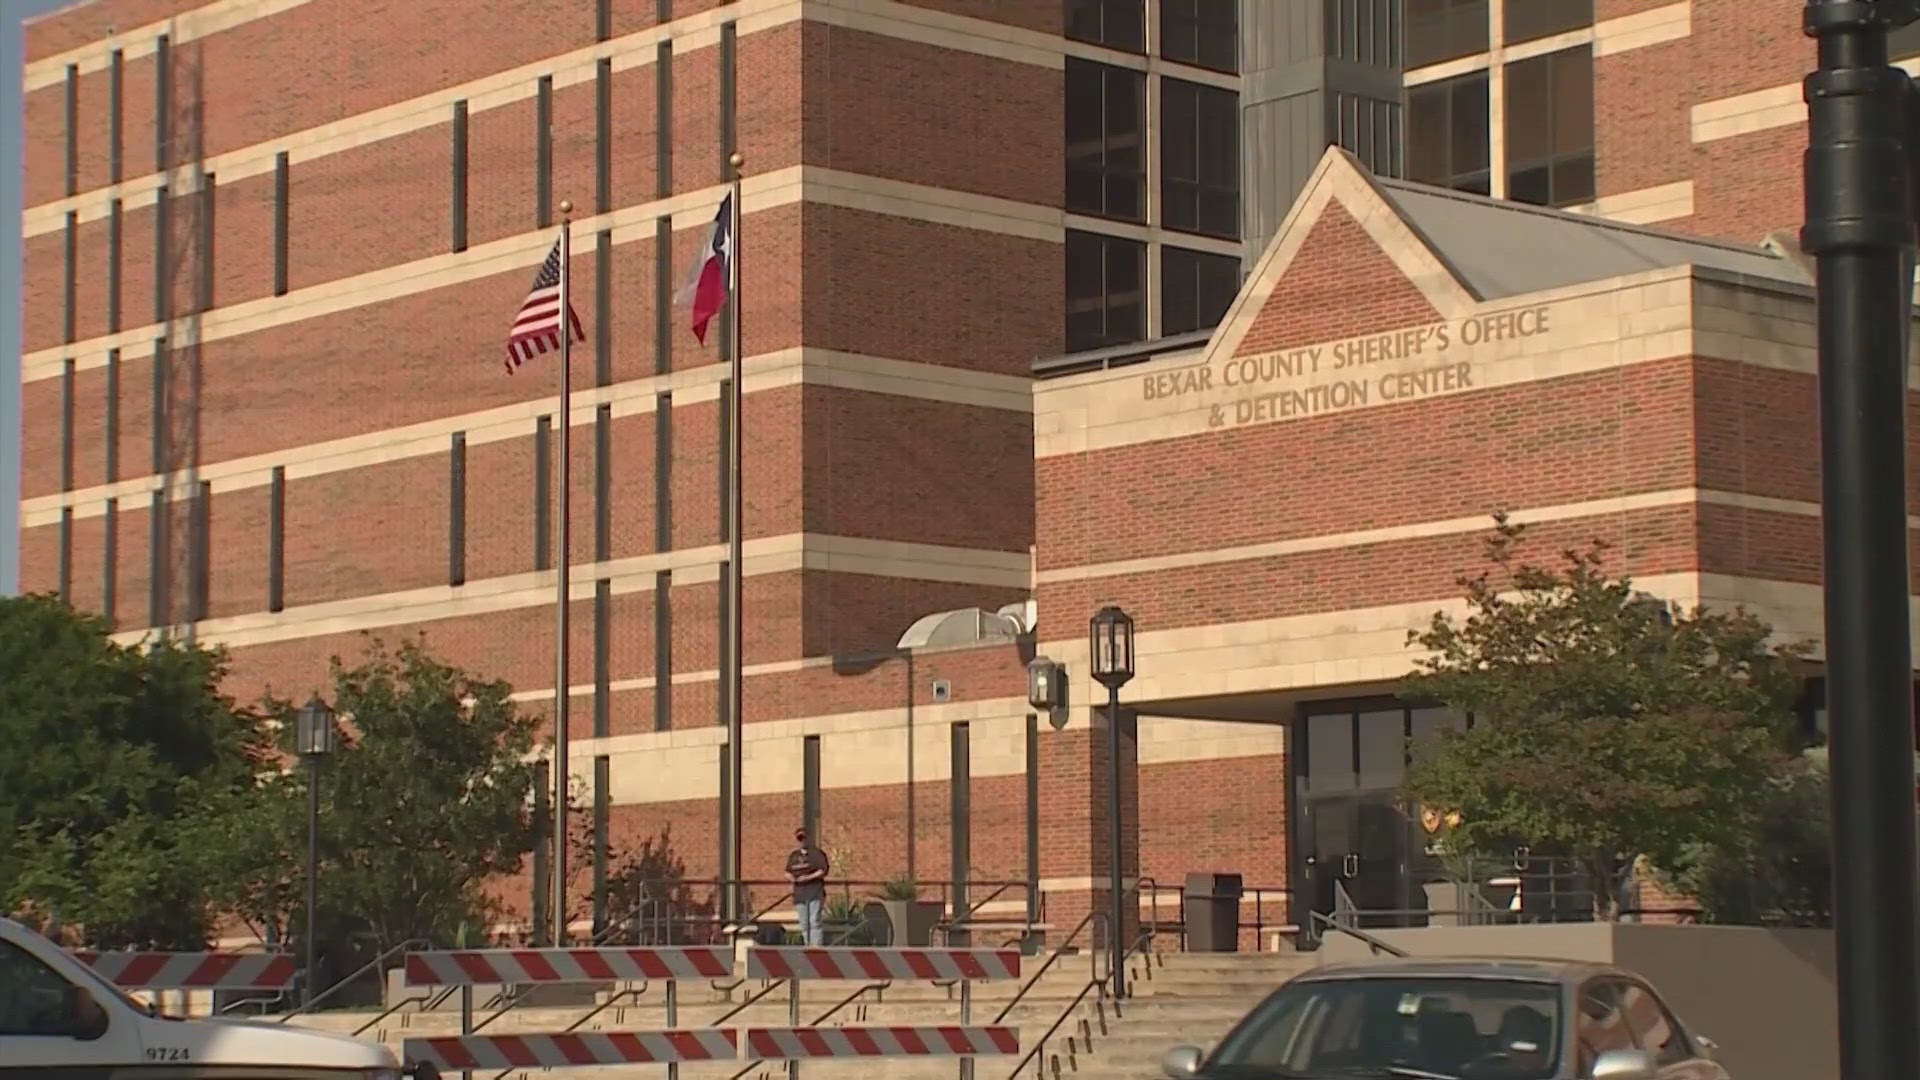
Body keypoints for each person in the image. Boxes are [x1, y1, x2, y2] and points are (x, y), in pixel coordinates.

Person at [784, 827, 830, 946]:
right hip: (799, 894)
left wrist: (808, 877)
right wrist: (792, 879)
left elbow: (822, 870)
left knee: (814, 921)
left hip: (814, 893)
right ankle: (807, 946)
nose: (802, 840)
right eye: (799, 838)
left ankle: (816, 948)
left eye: (804, 837)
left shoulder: (817, 854)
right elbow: (787, 872)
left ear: (808, 838)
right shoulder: (794, 856)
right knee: (804, 924)